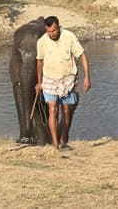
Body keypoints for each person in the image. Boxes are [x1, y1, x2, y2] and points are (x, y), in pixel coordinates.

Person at [34, 16, 91, 150]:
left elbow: (82, 55)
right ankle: (55, 143)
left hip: (67, 79)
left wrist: (87, 77)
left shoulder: (69, 37)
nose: (52, 34)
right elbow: (39, 61)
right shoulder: (42, 41)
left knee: (66, 111)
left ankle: (63, 140)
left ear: (59, 26)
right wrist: (39, 82)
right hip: (50, 79)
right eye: (49, 32)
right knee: (52, 109)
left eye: (54, 31)